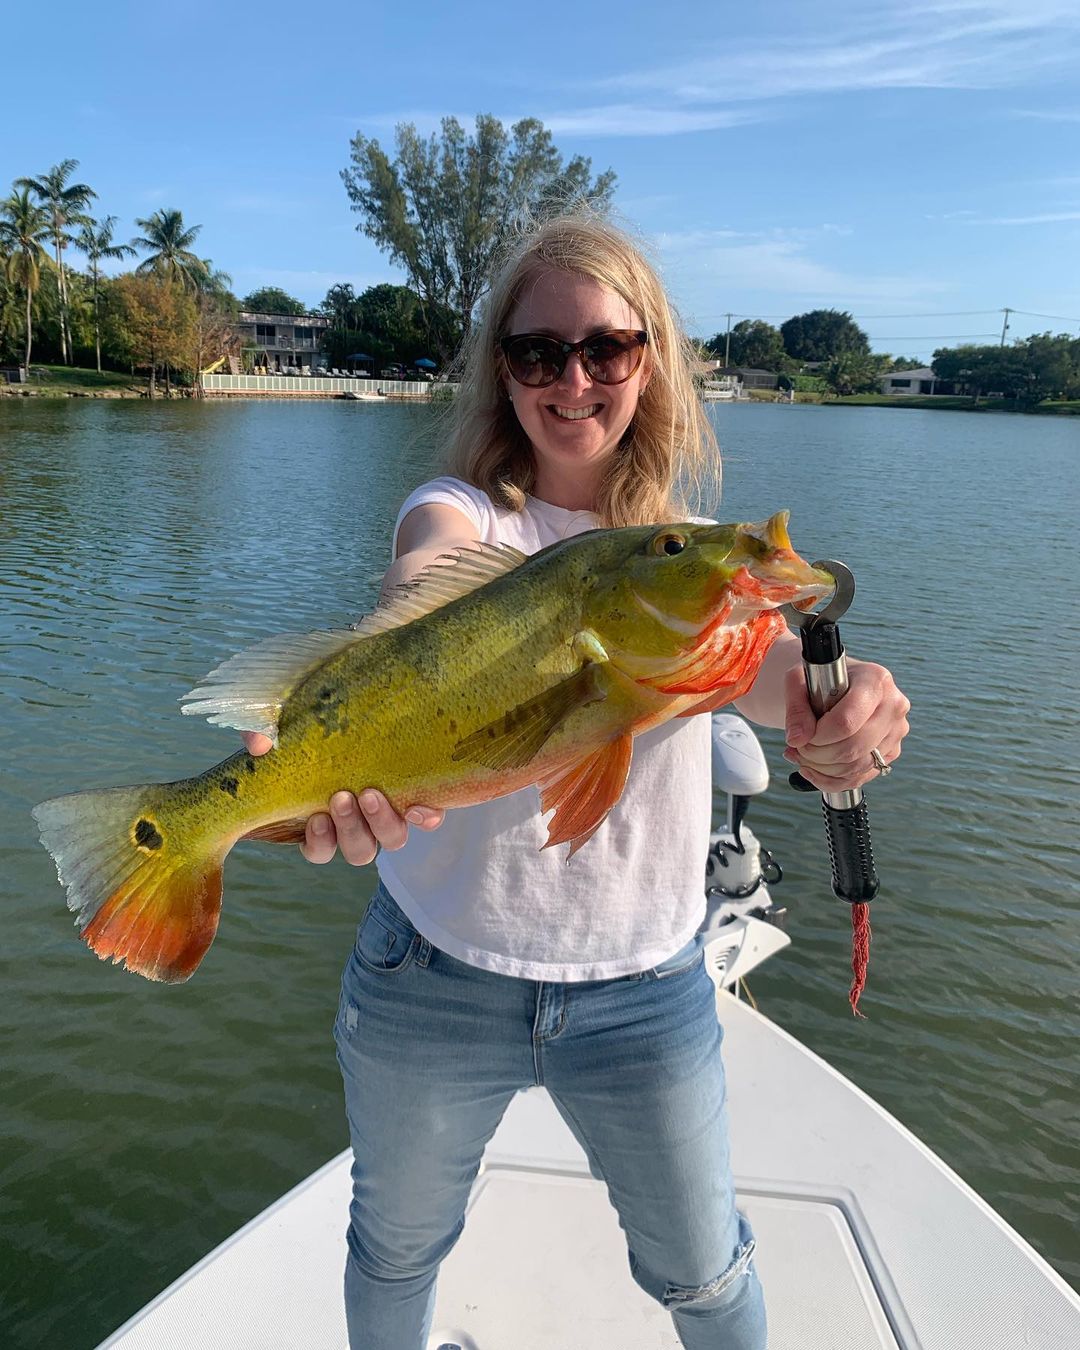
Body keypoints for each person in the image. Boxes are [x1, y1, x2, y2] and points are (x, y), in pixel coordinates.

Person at [245, 215, 910, 1349]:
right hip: (430, 976)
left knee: (706, 1274)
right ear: (500, 370)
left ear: (651, 362)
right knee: (395, 1250)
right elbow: (430, 581)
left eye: (608, 348)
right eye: (537, 351)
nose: (573, 379)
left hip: (645, 987)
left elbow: (765, 669)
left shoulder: (681, 559)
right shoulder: (460, 512)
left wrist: (847, 705)